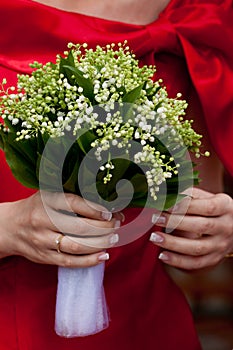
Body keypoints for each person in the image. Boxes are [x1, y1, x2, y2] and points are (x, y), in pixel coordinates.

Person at [0, 0, 232, 349]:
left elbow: (200, 201)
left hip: (144, 328)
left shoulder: (192, 16)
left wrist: (218, 231)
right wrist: (8, 227)